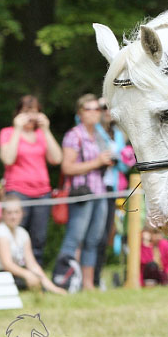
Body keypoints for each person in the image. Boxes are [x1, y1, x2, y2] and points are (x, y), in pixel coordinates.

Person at [57, 94, 113, 291]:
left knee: (94, 240)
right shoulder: (74, 135)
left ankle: (87, 284)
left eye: (97, 109)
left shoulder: (99, 135)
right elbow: (67, 167)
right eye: (89, 109)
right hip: (81, 193)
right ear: (80, 113)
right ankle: (62, 281)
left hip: (100, 192)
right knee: (75, 237)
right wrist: (96, 163)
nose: (94, 113)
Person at [0, 95, 63, 265]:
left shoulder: (41, 134)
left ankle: (35, 274)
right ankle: (13, 274)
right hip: (18, 192)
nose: (30, 116)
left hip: (42, 193)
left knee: (38, 237)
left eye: (34, 112)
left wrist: (47, 130)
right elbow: (8, 159)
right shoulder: (8, 133)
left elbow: (57, 159)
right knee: (14, 232)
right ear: (18, 113)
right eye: (26, 112)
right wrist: (17, 129)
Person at [93, 97, 135, 288]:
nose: (107, 110)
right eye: (103, 107)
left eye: (110, 107)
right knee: (97, 235)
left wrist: (123, 161)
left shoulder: (118, 134)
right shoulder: (93, 131)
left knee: (115, 232)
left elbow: (125, 164)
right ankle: (92, 276)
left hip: (117, 188)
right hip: (98, 188)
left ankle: (110, 274)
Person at [0, 197, 66, 294]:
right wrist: (27, 275)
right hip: (2, 274)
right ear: (3, 214)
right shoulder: (1, 232)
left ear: (22, 213)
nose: (13, 216)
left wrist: (53, 288)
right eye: (9, 213)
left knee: (37, 281)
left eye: (16, 212)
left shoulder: (22, 233)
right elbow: (7, 264)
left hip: (15, 274)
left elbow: (32, 264)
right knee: (31, 281)